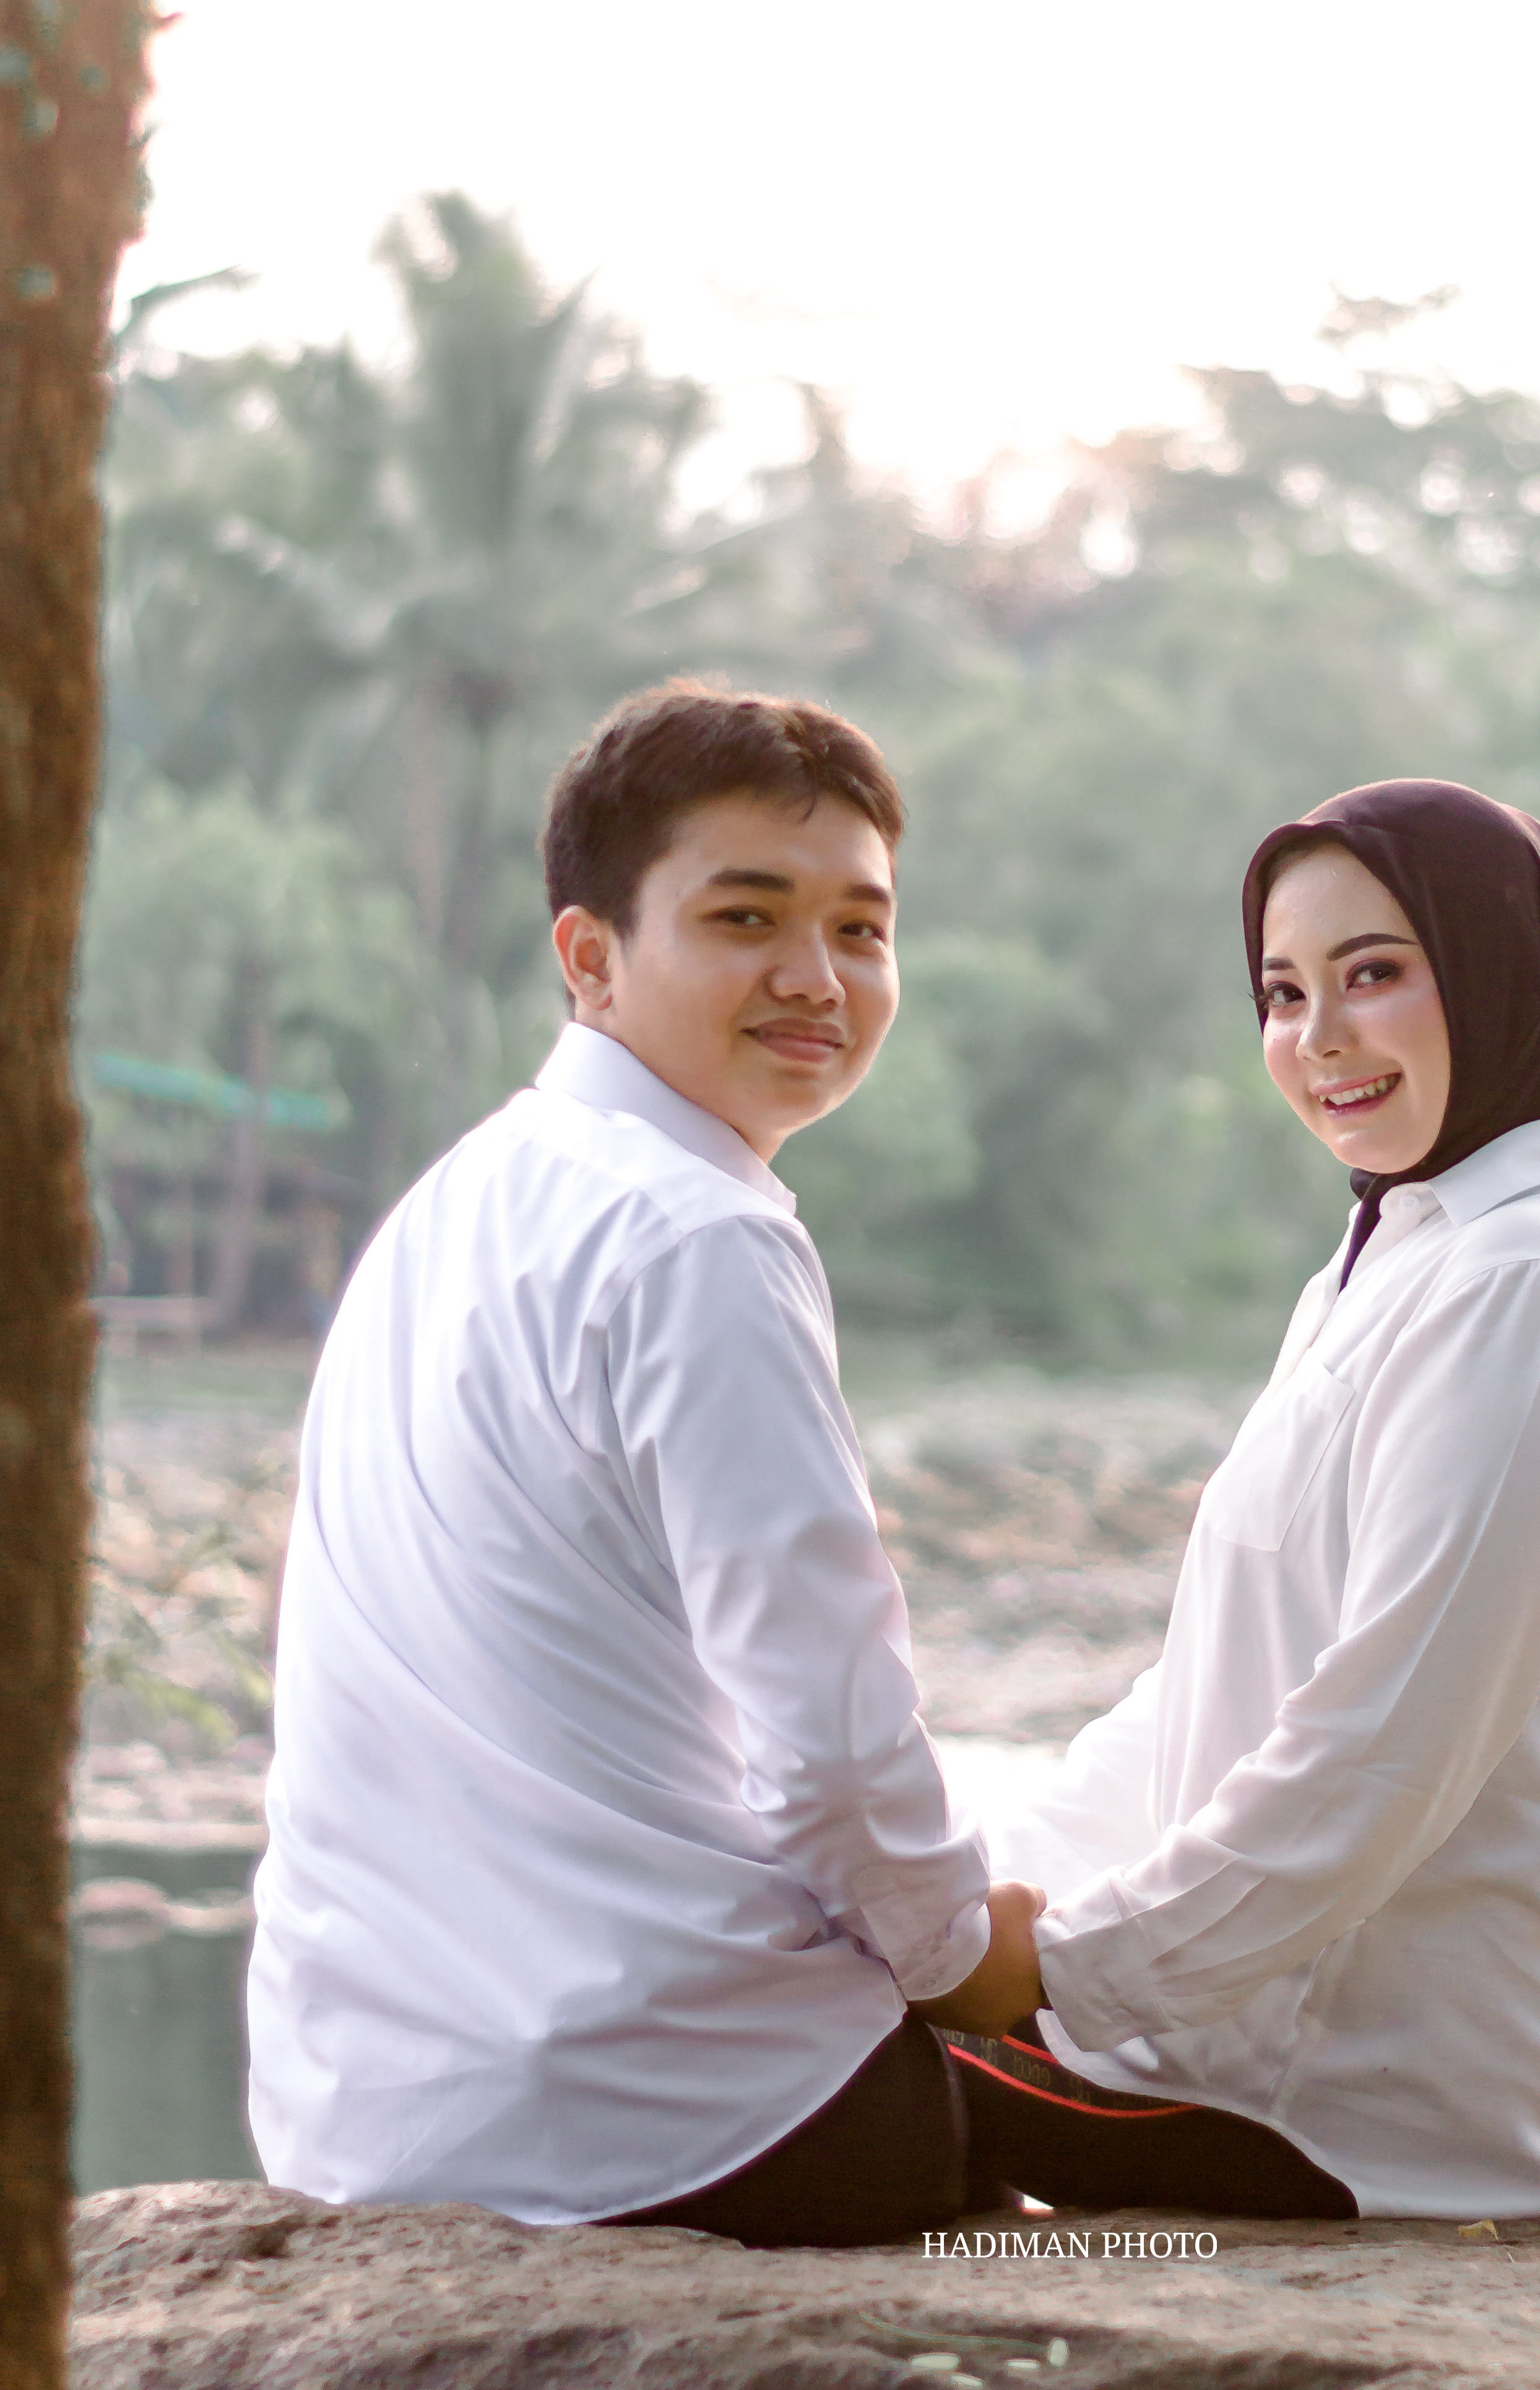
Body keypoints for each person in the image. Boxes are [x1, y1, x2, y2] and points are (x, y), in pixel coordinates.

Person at [248, 682, 1042, 2245]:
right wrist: (966, 1956)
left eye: (861, 929)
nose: (816, 977)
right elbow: (829, 1744)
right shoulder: (698, 1236)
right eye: (747, 918)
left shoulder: (458, 1201)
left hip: (366, 2115)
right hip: (679, 2118)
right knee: (1144, 2094)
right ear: (591, 956)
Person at [960, 778, 1540, 2221]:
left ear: (1501, 972)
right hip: (1335, 2039)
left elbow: (1383, 1746)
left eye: (1374, 973)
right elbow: (1221, 1688)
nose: (1318, 1037)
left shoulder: (1534, 1278)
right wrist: (994, 1889)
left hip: (1402, 2102)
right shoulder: (1411, 1244)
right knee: (809, 1999)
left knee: (787, 2085)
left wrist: (1064, 1969)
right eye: (1282, 992)